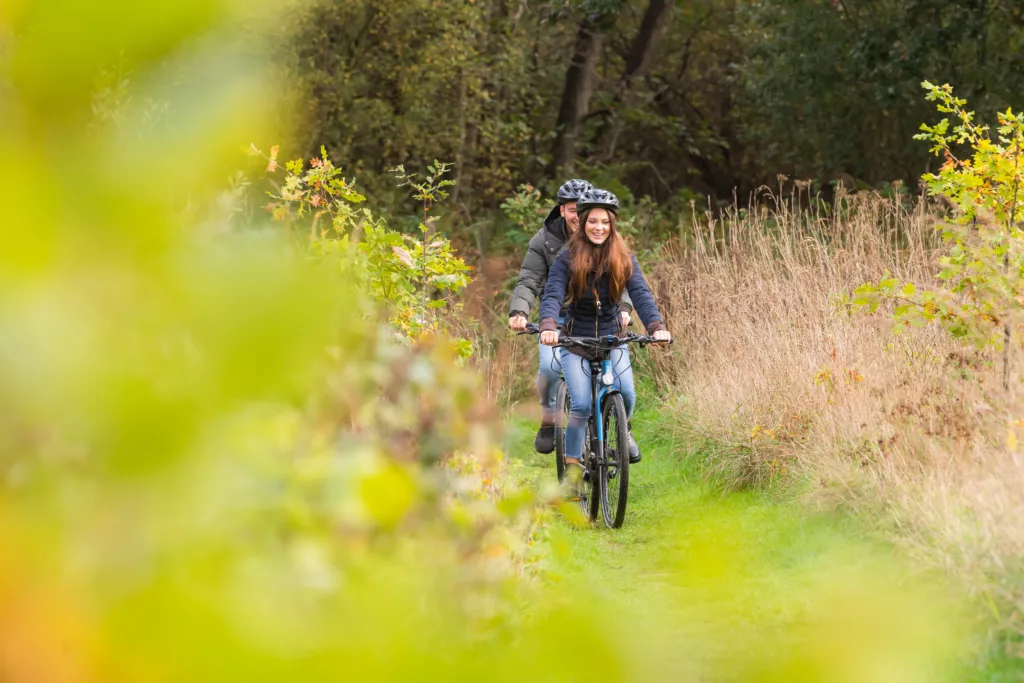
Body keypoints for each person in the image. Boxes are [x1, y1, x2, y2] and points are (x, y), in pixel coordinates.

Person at [537, 188, 671, 478]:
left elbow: (641, 295)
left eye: (605, 222)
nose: (599, 228)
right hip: (576, 342)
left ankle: (621, 429)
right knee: (582, 405)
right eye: (593, 221)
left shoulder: (623, 257)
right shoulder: (566, 258)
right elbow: (552, 295)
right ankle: (572, 475)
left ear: (612, 225)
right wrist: (548, 325)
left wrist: (656, 327)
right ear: (583, 223)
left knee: (627, 393)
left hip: (613, 339)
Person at [509, 180, 633, 455]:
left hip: (596, 318)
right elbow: (529, 280)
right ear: (562, 210)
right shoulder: (543, 241)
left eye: (582, 210)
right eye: (571, 210)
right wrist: (519, 311)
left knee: (611, 377)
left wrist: (624, 309)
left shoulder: (603, 236)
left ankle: (618, 428)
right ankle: (549, 418)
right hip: (555, 320)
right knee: (551, 368)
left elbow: (620, 278)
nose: (578, 216)